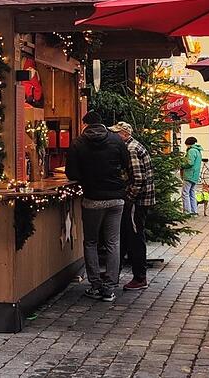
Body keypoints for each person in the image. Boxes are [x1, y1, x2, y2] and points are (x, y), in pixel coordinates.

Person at [66, 111, 130, 302]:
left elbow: (72, 173)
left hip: (93, 199)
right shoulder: (116, 140)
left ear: (85, 123)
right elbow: (126, 164)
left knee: (91, 242)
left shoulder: (78, 143)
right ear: (102, 123)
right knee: (113, 243)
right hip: (116, 199)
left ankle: (95, 285)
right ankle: (110, 288)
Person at [110, 122, 155, 291]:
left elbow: (138, 178)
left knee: (135, 237)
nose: (114, 137)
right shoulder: (133, 146)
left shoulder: (130, 149)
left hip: (138, 201)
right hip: (142, 199)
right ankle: (119, 272)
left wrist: (128, 198)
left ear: (124, 134)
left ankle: (139, 277)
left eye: (116, 133)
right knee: (129, 235)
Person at [181, 137, 203, 215]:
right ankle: (194, 211)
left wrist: (182, 165)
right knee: (192, 193)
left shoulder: (191, 151)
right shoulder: (198, 151)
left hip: (189, 174)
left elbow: (190, 163)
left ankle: (187, 212)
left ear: (188, 144)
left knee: (185, 193)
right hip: (195, 175)